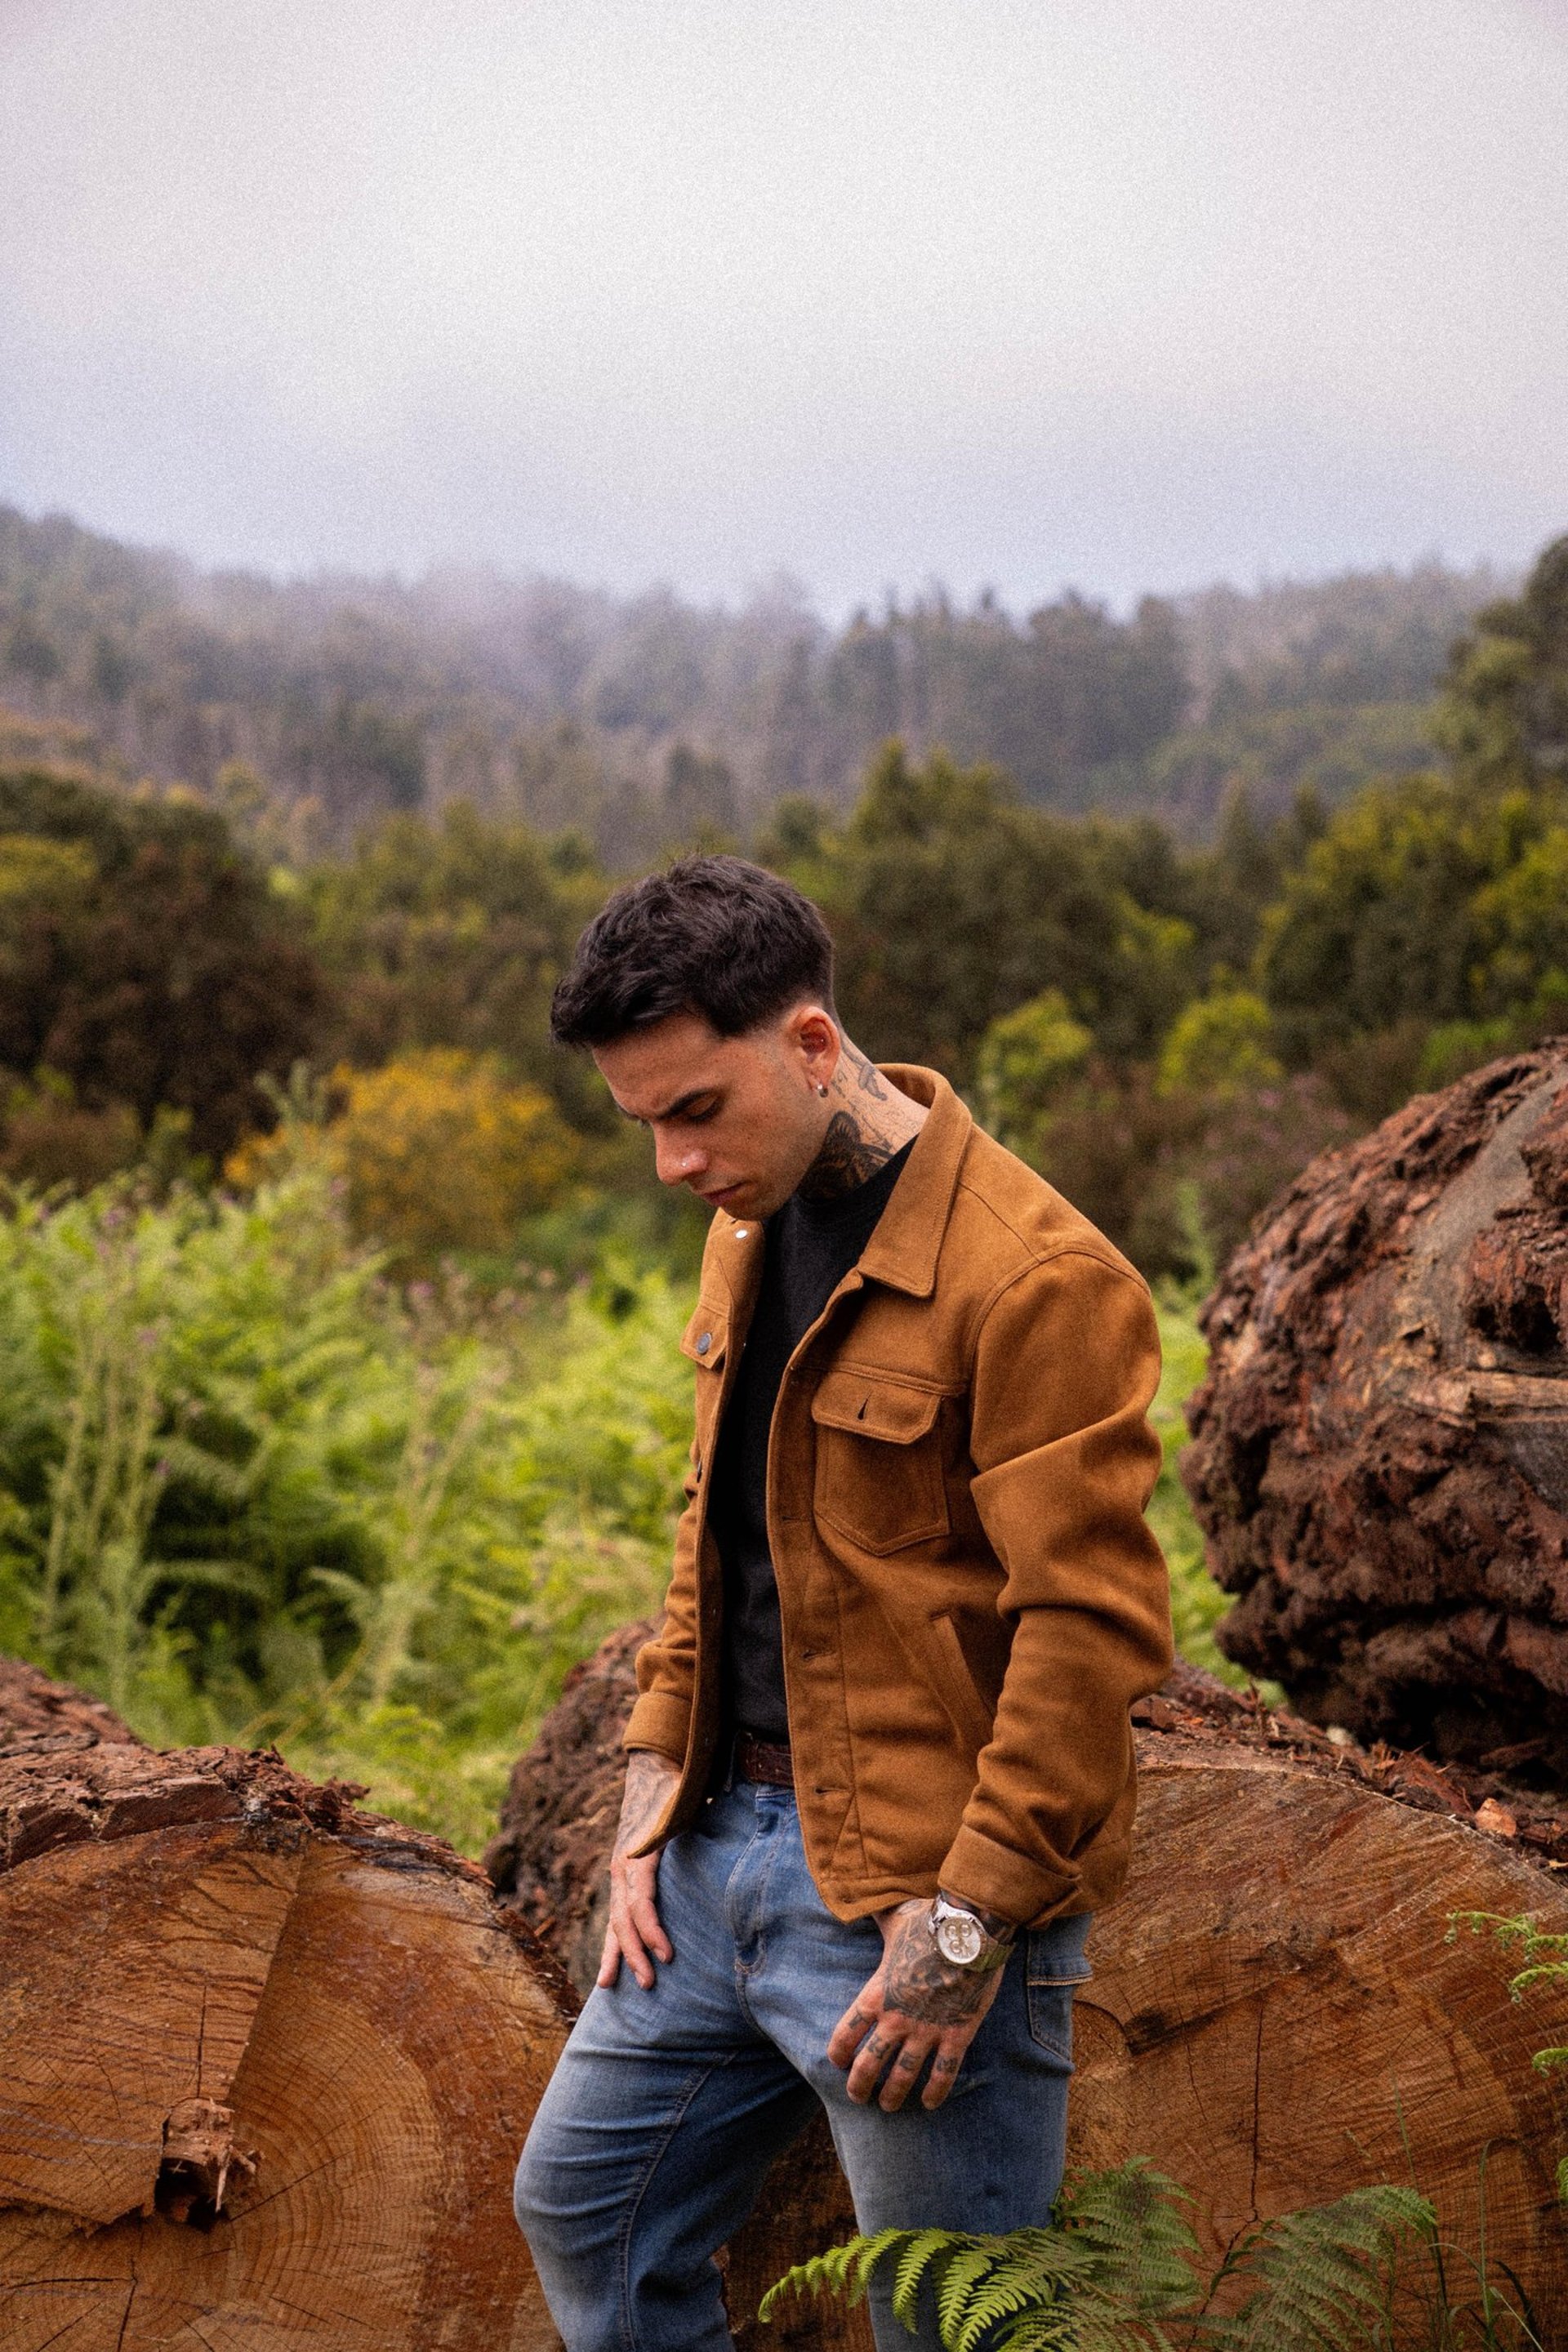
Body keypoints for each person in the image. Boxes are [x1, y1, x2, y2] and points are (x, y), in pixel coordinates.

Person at [514, 855, 1172, 2351]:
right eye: (644, 1124)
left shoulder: (1039, 1280)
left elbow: (1091, 1630)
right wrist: (645, 1788)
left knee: (951, 2321)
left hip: (912, 1898)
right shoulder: (745, 1227)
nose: (674, 1163)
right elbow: (716, 1533)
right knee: (586, 2215)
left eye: (697, 1110)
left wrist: (968, 1924)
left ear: (813, 1044)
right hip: (701, 1869)